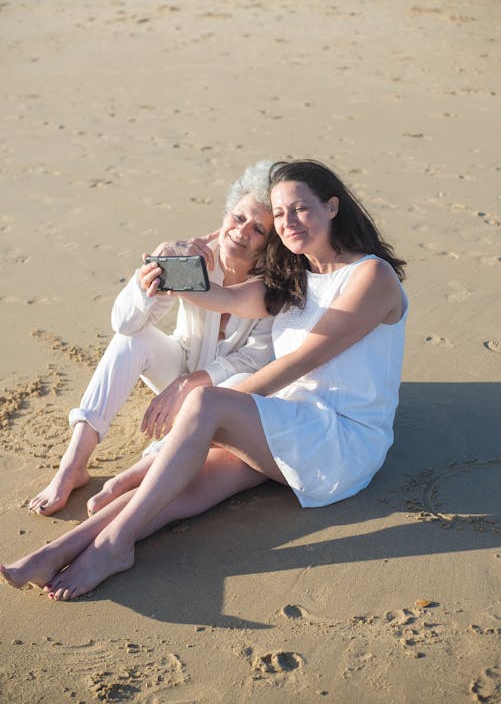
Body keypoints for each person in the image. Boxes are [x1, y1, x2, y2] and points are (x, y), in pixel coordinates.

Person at [1, 159, 408, 600]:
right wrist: (174, 264)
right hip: (291, 423)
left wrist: (207, 420)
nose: (289, 223)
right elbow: (222, 296)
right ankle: (61, 549)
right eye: (280, 213)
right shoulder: (296, 278)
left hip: (341, 439)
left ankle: (116, 546)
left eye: (300, 209)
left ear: (332, 207)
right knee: (181, 486)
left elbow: (301, 363)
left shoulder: (372, 276)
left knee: (206, 405)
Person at [28, 161, 276, 516]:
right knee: (133, 341)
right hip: (179, 367)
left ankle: (147, 473)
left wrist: (192, 384)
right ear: (225, 214)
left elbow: (254, 359)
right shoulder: (193, 258)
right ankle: (73, 464)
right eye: (238, 218)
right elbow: (125, 323)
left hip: (225, 396)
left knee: (239, 383)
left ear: (270, 243)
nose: (241, 232)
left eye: (258, 230)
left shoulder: (273, 285)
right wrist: (159, 266)